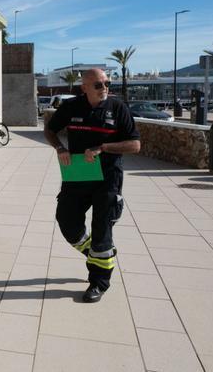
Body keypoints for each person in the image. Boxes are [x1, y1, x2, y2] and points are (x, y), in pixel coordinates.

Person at [44, 69, 140, 303]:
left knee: (101, 230)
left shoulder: (118, 109)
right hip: (77, 175)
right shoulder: (71, 107)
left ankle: (98, 282)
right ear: (84, 87)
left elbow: (135, 145)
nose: (104, 88)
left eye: (107, 83)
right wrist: (60, 148)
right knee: (66, 220)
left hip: (107, 179)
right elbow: (50, 129)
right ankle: (94, 253)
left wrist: (104, 148)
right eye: (98, 84)